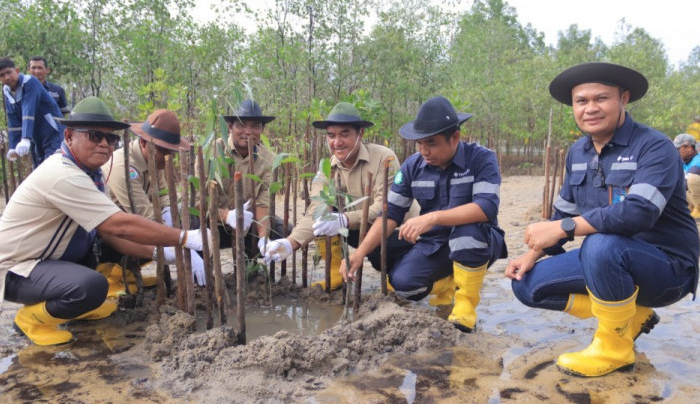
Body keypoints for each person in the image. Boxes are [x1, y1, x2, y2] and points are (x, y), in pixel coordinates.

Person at [506, 62, 699, 377]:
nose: (590, 108)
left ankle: (614, 348)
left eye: (601, 99)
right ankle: (632, 317)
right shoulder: (577, 153)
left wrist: (564, 227)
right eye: (581, 101)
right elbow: (564, 214)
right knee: (526, 286)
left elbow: (638, 212)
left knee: (600, 243)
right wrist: (531, 253)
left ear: (623, 99)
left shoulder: (654, 146)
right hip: (607, 260)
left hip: (666, 269)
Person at [0, 97, 209, 346]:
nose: (104, 145)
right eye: (93, 136)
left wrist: (159, 251)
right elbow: (118, 225)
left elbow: (110, 236)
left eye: (110, 139)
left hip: (55, 256)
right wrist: (183, 238)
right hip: (19, 269)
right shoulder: (62, 174)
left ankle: (82, 299)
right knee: (91, 287)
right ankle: (31, 318)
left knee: (116, 250)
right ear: (68, 136)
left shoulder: (93, 174)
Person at [342, 96, 507, 332]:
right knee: (403, 284)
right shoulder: (413, 166)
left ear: (455, 138)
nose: (424, 151)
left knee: (466, 232)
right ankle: (447, 283)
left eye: (431, 143)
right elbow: (391, 214)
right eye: (419, 144)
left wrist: (432, 217)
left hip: (479, 240)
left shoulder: (481, 158)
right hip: (436, 244)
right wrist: (359, 252)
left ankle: (465, 306)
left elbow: (486, 208)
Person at [261, 102, 419, 291]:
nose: (337, 142)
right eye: (331, 135)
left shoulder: (384, 158)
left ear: (360, 133)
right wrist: (290, 242)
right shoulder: (327, 168)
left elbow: (386, 208)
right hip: (358, 230)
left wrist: (344, 219)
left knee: (400, 279)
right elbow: (316, 211)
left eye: (345, 134)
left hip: (397, 231)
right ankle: (335, 275)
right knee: (323, 219)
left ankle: (401, 274)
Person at [106, 109, 206, 290]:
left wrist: (170, 216)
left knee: (191, 220)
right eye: (164, 151)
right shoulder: (123, 167)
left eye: (172, 152)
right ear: (144, 143)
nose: (170, 157)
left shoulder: (155, 162)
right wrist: (185, 248)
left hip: (142, 225)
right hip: (114, 237)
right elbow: (144, 217)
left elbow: (164, 197)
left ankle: (199, 279)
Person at [206, 99, 287, 259]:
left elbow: (263, 202)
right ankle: (203, 278)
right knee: (190, 225)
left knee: (283, 230)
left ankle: (253, 272)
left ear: (263, 129)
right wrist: (226, 216)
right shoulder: (212, 152)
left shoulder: (268, 159)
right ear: (230, 126)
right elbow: (197, 201)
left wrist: (263, 238)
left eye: (255, 126)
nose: (248, 132)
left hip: (247, 224)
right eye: (241, 125)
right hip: (213, 221)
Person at [1, 57, 64, 167]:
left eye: (9, 72)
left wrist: (25, 138)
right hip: (35, 135)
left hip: (52, 131)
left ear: (16, 70)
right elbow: (13, 119)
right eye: (2, 75)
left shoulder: (30, 82)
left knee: (52, 167)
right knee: (38, 169)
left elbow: (28, 109)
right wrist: (13, 145)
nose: (7, 77)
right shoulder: (7, 90)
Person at [673, 133, 700, 218]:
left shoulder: (697, 160)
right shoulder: (684, 161)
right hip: (694, 196)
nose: (675, 151)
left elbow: (691, 178)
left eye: (678, 148)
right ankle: (690, 208)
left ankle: (698, 209)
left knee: (692, 178)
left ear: (689, 148)